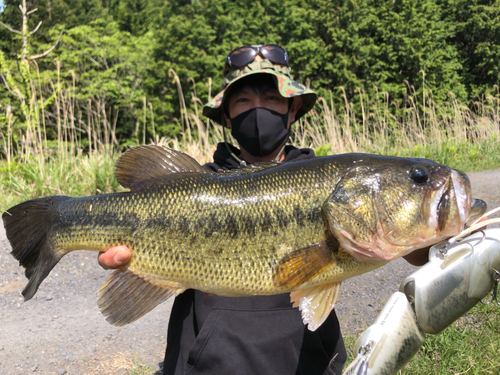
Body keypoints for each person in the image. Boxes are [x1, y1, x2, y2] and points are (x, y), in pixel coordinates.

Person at [99, 44, 348, 374]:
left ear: (293, 107)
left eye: (272, 99)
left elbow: (423, 248)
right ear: (227, 113)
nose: (258, 110)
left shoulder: (332, 183)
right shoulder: (191, 184)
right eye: (244, 100)